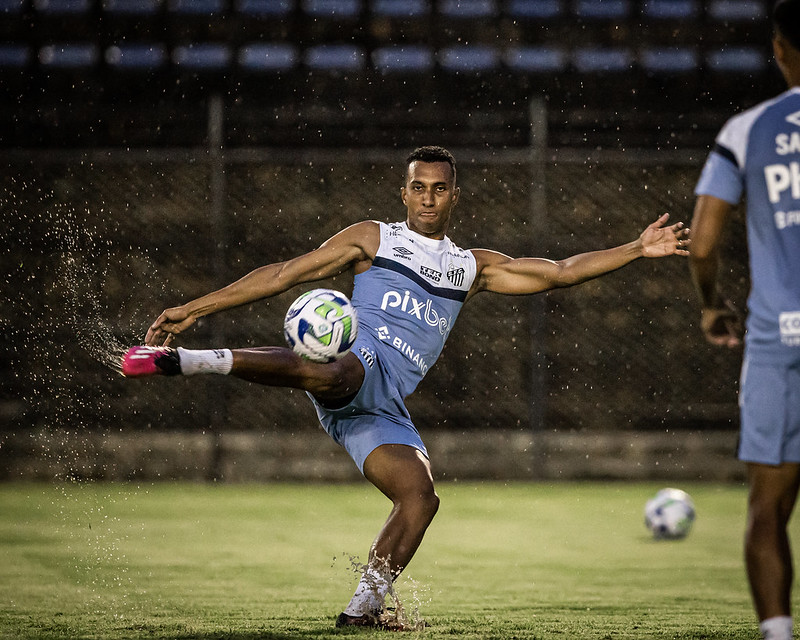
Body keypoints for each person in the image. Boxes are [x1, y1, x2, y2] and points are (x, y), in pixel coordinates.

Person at [123, 145, 690, 629]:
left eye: (438, 189)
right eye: (418, 187)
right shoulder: (373, 240)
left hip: (382, 406)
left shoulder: (472, 267)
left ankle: (360, 612)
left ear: (454, 196)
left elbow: (561, 271)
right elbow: (284, 274)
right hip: (351, 364)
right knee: (343, 367)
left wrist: (637, 249)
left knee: (421, 498)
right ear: (404, 193)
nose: (427, 198)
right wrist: (193, 307)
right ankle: (189, 362)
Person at [688, 2, 800, 639]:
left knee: (769, 507)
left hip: (780, 339)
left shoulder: (747, 130)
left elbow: (702, 244)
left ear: (780, 50)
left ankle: (778, 633)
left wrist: (711, 303)